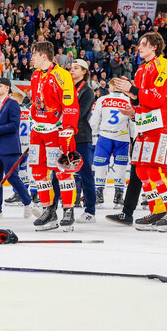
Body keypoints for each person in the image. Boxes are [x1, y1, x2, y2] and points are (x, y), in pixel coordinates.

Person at [115, 32, 167, 231]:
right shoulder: (140, 70)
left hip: (162, 124)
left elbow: (156, 98)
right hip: (145, 124)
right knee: (142, 170)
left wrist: (133, 91)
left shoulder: (164, 65)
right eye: (138, 44)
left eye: (143, 44)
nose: (139, 47)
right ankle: (158, 209)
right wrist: (131, 96)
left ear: (154, 46)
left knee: (155, 168)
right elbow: (140, 100)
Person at [27, 41, 79, 231]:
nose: (31, 58)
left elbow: (70, 104)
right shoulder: (34, 76)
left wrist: (68, 128)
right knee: (38, 173)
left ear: (43, 56)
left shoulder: (62, 75)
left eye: (34, 54)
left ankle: (68, 210)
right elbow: (36, 103)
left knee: (63, 171)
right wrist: (33, 118)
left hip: (56, 132)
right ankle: (49, 210)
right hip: (37, 131)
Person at [0, 76, 35, 218]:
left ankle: (28, 202)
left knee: (12, 177)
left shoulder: (12, 104)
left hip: (9, 146)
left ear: (7, 88)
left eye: (0, 85)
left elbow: (14, 125)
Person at [90, 79, 134, 208]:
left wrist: (94, 135)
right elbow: (132, 122)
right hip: (122, 138)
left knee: (100, 167)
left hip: (104, 137)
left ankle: (99, 196)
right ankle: (118, 197)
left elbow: (94, 121)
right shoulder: (128, 101)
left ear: (112, 87)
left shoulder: (102, 100)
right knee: (121, 167)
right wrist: (132, 138)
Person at [67, 59, 97, 222]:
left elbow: (80, 113)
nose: (72, 70)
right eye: (71, 68)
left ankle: (90, 211)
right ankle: (54, 207)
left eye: (76, 68)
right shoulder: (67, 88)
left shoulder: (87, 91)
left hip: (81, 137)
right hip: (65, 137)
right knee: (61, 173)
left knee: (85, 174)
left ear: (84, 71)